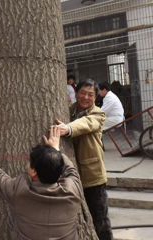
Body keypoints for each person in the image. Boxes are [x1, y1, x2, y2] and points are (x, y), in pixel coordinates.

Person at [0, 126, 83, 240]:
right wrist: (56, 151)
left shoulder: (20, 190)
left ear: (33, 172)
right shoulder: (73, 189)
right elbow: (70, 170)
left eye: (29, 162)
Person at [55, 79, 113, 240]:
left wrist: (68, 128)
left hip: (93, 177)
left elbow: (87, 123)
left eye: (90, 95)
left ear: (95, 98)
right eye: (82, 93)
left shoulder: (98, 114)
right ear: (76, 93)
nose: (86, 97)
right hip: (70, 176)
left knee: (100, 219)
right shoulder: (67, 110)